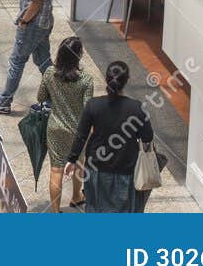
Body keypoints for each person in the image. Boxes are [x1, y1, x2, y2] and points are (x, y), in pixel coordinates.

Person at [66, 59, 154, 212]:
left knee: (95, 209)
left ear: (106, 79)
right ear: (127, 81)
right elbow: (147, 137)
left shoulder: (93, 105)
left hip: (96, 170)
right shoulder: (136, 108)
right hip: (126, 170)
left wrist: (72, 159)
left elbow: (81, 135)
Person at [37, 36, 93, 211]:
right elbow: (88, 110)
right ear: (79, 55)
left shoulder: (49, 73)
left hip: (55, 128)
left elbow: (41, 97)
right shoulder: (86, 80)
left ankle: (55, 211)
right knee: (78, 163)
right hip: (78, 131)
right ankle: (77, 196)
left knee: (56, 170)